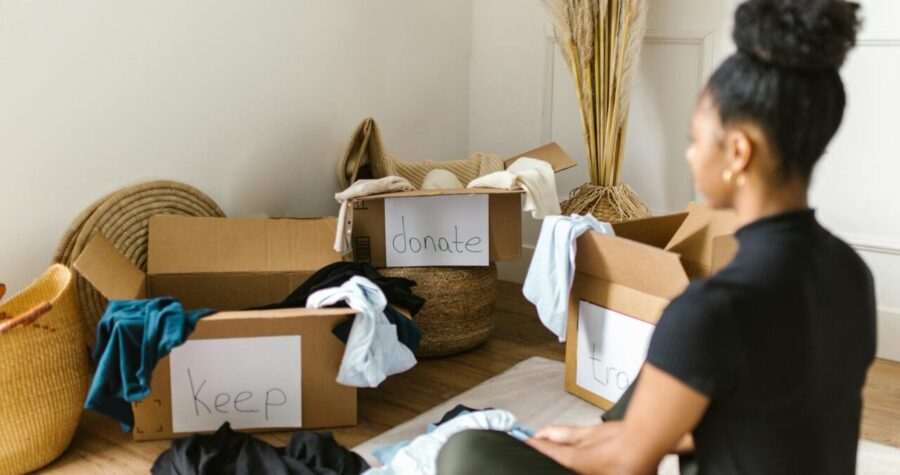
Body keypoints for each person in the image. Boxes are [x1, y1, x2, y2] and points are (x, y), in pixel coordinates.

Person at [436, 0, 876, 473]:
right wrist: (611, 437)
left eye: (695, 139)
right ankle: (627, 426)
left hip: (659, 421)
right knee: (675, 364)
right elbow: (779, 416)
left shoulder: (713, 308)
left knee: (464, 452)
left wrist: (564, 451)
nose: (689, 155)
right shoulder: (851, 273)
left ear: (738, 152)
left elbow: (631, 467)